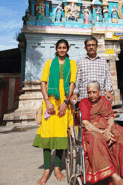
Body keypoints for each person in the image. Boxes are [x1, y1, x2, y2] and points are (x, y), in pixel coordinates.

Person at [33, 39, 77, 185]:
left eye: (64, 47)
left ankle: (57, 168)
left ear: (68, 49)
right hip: (50, 102)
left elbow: (72, 83)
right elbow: (43, 82)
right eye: (60, 47)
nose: (62, 50)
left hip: (64, 102)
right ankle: (46, 171)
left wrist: (66, 102)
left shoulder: (72, 64)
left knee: (60, 135)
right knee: (47, 135)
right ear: (56, 49)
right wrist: (47, 101)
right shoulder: (49, 63)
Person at [79, 81, 123, 185]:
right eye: (89, 92)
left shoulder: (104, 100)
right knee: (96, 139)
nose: (91, 95)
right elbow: (85, 123)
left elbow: (110, 117)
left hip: (106, 127)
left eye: (94, 92)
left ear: (99, 92)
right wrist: (102, 132)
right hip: (92, 130)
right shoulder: (84, 102)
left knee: (121, 133)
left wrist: (108, 130)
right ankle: (115, 178)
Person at [72, 36, 113, 103]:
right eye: (88, 45)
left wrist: (108, 91)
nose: (91, 47)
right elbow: (77, 79)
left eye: (93, 45)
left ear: (96, 47)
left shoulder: (103, 61)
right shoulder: (80, 61)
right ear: (85, 48)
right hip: (84, 97)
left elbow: (107, 78)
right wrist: (75, 93)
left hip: (100, 97)